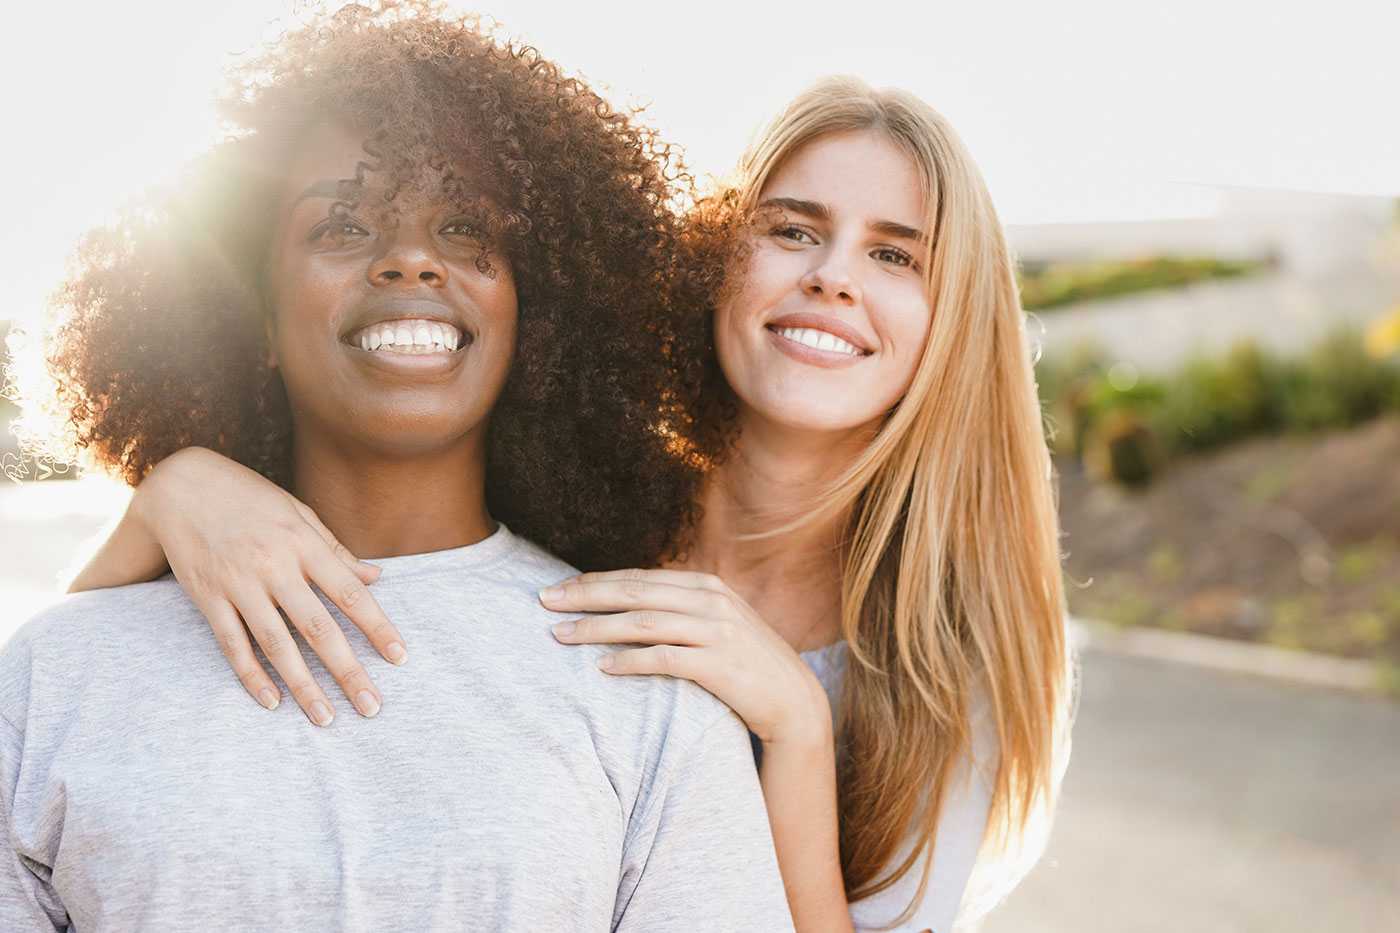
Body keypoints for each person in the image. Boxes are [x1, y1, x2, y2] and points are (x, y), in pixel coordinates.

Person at [62, 56, 1073, 933]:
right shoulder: (564, 495)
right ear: (717, 252)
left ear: (954, 321)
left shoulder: (949, 664)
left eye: (894, 254)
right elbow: (81, 715)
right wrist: (170, 495)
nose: (833, 279)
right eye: (792, 230)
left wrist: (797, 734)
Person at [0, 5, 795, 931]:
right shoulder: (58, 674)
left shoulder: (651, 694)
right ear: (248, 315)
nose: (411, 259)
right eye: (343, 226)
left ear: (536, 312)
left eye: (465, 226)